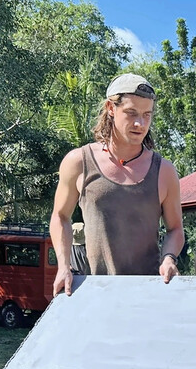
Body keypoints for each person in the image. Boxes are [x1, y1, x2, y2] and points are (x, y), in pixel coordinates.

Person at [50, 73, 184, 295]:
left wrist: (169, 258)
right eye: (131, 113)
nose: (140, 123)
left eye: (147, 115)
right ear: (111, 108)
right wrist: (63, 266)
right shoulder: (78, 162)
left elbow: (175, 229)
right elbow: (60, 217)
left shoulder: (165, 171)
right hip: (90, 291)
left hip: (148, 293)